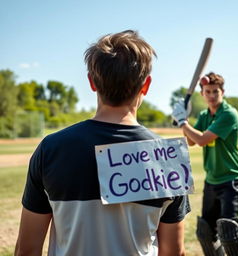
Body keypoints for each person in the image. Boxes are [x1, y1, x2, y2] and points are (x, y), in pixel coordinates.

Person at [15, 30, 191, 256]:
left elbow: (27, 250)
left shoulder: (50, 149)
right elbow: (173, 252)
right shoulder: (168, 160)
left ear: (91, 82)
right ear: (146, 85)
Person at [171, 72, 238, 256]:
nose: (212, 95)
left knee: (230, 233)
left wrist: (182, 122)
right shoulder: (205, 115)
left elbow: (201, 140)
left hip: (232, 179)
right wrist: (184, 119)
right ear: (202, 94)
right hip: (212, 180)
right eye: (208, 91)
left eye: (216, 91)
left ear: (223, 92)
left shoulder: (228, 114)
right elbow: (190, 141)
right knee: (205, 232)